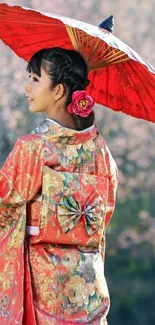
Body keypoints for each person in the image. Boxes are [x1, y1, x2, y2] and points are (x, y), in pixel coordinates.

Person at [0, 47, 118, 325]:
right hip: (88, 286)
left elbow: (4, 203)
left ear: (58, 91)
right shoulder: (99, 150)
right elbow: (104, 213)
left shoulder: (33, 148)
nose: (27, 87)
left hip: (45, 286)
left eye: (35, 79)